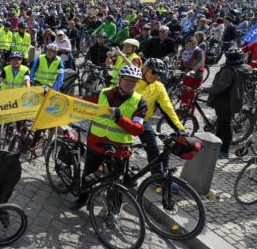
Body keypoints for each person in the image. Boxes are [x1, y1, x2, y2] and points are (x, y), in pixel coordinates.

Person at [71, 65, 147, 210]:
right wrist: (61, 98)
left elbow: (137, 130)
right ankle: (82, 199)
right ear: (120, 79)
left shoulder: (140, 102)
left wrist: (120, 118)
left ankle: (114, 210)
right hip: (96, 143)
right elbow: (82, 102)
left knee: (118, 182)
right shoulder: (103, 93)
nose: (130, 84)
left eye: (134, 81)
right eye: (127, 80)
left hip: (119, 148)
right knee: (88, 175)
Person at [135, 59, 186, 174]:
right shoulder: (133, 80)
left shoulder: (159, 87)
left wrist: (180, 129)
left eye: (159, 74)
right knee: (120, 148)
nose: (156, 76)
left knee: (153, 147)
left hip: (143, 120)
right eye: (154, 72)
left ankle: (157, 177)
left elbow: (167, 108)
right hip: (125, 119)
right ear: (145, 70)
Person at [203, 46, 251, 158]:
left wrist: (204, 89)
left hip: (224, 102)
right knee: (221, 124)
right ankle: (216, 145)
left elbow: (220, 87)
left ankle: (224, 150)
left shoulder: (228, 71)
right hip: (235, 100)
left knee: (225, 126)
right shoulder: (244, 68)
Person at [178, 36, 205, 106]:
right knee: (185, 94)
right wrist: (178, 67)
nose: (193, 44)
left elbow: (200, 62)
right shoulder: (184, 51)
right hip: (186, 75)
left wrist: (194, 70)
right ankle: (182, 110)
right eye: (190, 43)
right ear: (186, 44)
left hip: (195, 76)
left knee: (191, 95)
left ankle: (189, 113)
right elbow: (182, 62)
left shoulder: (199, 51)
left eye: (194, 43)